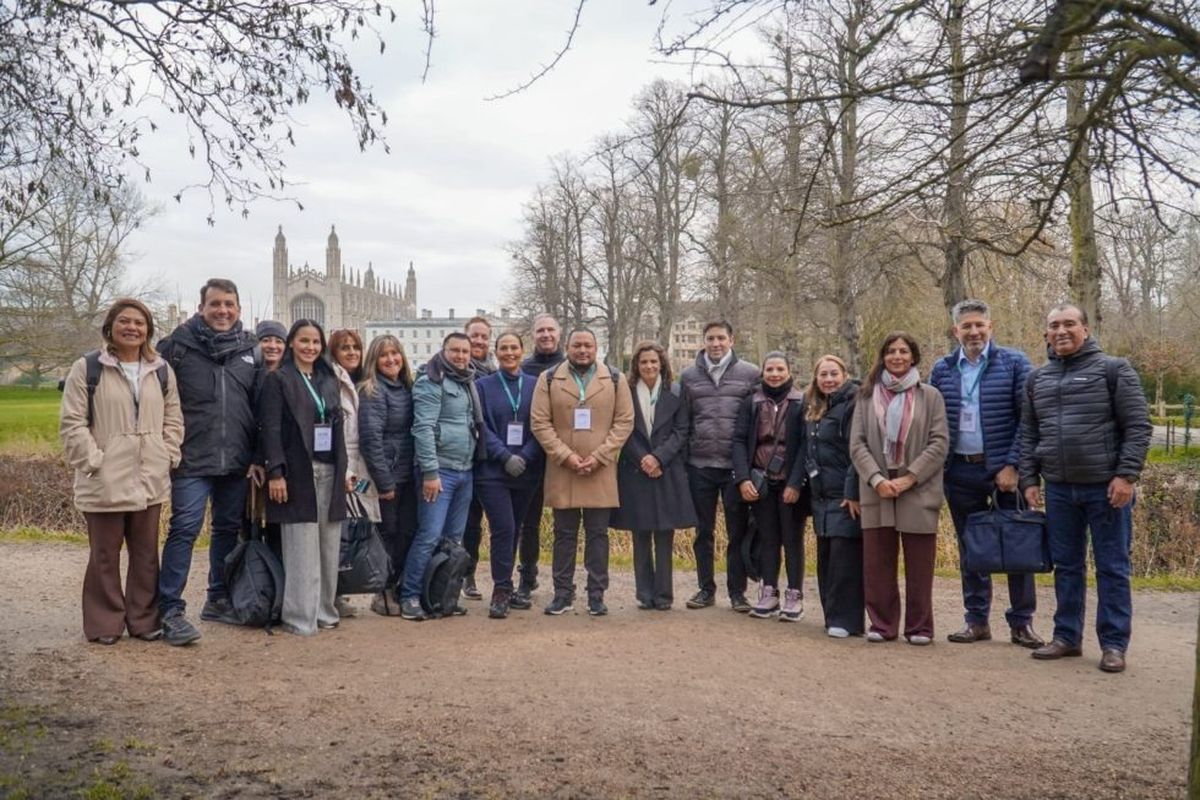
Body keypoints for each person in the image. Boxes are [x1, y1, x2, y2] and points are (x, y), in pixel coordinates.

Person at [1020, 303, 1151, 673]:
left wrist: (1126, 476)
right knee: (1066, 567)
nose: (1061, 331)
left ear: (1086, 329)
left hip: (1106, 488)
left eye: (1069, 324)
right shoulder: (1036, 380)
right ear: (1045, 333)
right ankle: (1066, 637)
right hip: (1059, 489)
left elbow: (1139, 426)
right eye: (1053, 325)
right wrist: (1030, 480)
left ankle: (1113, 644)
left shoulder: (1113, 370)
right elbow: (1029, 434)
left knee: (1112, 567)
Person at [59, 299, 184, 644]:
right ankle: (104, 624)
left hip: (149, 474)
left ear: (148, 330)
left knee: (146, 553)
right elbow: (72, 422)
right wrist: (94, 460)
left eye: (140, 323)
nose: (132, 328)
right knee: (104, 553)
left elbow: (173, 418)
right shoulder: (87, 368)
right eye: (125, 321)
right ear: (110, 327)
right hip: (105, 476)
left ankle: (144, 621)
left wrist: (167, 453)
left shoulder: (161, 370)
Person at [929, 299, 1043, 648]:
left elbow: (1028, 420)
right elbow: (934, 420)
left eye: (980, 325)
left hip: (1003, 472)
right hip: (960, 470)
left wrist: (1012, 466)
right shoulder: (943, 368)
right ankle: (976, 620)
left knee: (1017, 545)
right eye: (967, 326)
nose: (974, 331)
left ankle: (1021, 622)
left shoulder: (1014, 363)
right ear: (956, 331)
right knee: (971, 547)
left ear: (990, 327)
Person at [156, 278, 260, 646]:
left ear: (239, 310)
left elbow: (258, 407)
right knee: (184, 530)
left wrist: (256, 456)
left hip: (234, 460)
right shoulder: (176, 348)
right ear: (202, 308)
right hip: (191, 458)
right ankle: (169, 608)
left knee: (227, 531)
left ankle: (217, 597)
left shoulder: (251, 350)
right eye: (215, 304)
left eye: (229, 304)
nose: (223, 311)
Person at [849, 332, 948, 645]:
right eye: (890, 351)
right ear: (882, 356)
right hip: (877, 487)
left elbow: (939, 442)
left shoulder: (930, 396)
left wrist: (910, 477)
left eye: (903, 351)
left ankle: (919, 627)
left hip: (917, 487)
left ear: (913, 356)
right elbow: (857, 443)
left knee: (919, 565)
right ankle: (882, 624)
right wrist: (877, 479)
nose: (897, 356)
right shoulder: (865, 396)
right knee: (877, 564)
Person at [530, 328, 634, 616]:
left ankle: (596, 594)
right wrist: (566, 456)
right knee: (564, 534)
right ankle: (562, 593)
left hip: (601, 469)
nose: (583, 350)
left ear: (596, 347)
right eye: (577, 345)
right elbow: (539, 422)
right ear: (567, 346)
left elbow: (625, 421)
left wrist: (600, 456)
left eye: (588, 345)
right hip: (563, 469)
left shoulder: (615, 379)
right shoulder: (549, 378)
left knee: (598, 534)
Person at [259, 319, 349, 635]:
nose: (310, 347)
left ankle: (325, 609)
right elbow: (270, 429)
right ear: (292, 344)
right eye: (303, 341)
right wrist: (276, 472)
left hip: (329, 469)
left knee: (327, 544)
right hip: (298, 471)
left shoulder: (327, 380)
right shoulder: (278, 379)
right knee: (301, 545)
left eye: (315, 342)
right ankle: (300, 615)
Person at [401, 332, 484, 620]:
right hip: (440, 472)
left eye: (465, 351)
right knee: (429, 536)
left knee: (452, 540)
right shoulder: (431, 381)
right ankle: (410, 595)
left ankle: (441, 595)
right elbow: (422, 428)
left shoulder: (466, 383)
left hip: (465, 470)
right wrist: (430, 472)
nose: (461, 356)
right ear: (443, 351)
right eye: (455, 351)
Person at [610, 341, 697, 610]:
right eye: (643, 362)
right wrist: (643, 458)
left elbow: (682, 431)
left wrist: (658, 457)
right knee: (640, 535)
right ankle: (644, 594)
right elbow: (621, 428)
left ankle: (664, 595)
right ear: (636, 365)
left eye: (653, 362)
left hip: (666, 469)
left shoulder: (677, 391)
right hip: (635, 470)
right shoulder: (624, 391)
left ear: (662, 364)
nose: (649, 366)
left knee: (664, 534)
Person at [680, 321, 759, 611]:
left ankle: (737, 592)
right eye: (710, 338)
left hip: (735, 467)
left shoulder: (750, 374)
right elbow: (684, 420)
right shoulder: (688, 376)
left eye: (721, 338)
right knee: (703, 531)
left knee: (737, 530)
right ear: (704, 341)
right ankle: (705, 588)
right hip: (699, 464)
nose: (715, 343)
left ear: (731, 339)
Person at [732, 352, 808, 621]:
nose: (774, 374)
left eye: (779, 369)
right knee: (767, 539)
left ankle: (794, 594)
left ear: (789, 371)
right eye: (769, 369)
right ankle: (768, 591)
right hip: (760, 482)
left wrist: (796, 483)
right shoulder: (751, 402)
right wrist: (742, 479)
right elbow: (739, 440)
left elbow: (805, 447)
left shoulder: (801, 402)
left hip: (790, 483)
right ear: (762, 372)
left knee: (792, 539)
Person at [475, 331, 543, 618]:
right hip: (493, 471)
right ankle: (501, 590)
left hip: (526, 470)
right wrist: (504, 456)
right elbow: (480, 425)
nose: (509, 353)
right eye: (503, 348)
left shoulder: (536, 385)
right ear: (496, 351)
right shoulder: (482, 386)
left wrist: (525, 456)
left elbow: (542, 424)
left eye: (514, 348)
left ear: (522, 350)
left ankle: (509, 586)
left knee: (515, 528)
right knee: (502, 528)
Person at [801, 355, 864, 638]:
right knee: (826, 558)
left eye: (833, 374)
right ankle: (831, 615)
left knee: (845, 559)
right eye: (823, 374)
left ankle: (847, 620)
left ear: (844, 374)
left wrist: (852, 492)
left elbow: (856, 452)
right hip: (821, 495)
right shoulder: (817, 406)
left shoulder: (853, 404)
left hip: (844, 494)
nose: (828, 379)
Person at [357, 334, 417, 617]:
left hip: (409, 473)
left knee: (406, 531)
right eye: (384, 355)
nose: (391, 359)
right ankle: (382, 591)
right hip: (389, 476)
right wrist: (384, 482)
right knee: (387, 534)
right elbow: (371, 440)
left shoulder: (406, 387)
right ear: (374, 360)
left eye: (395, 354)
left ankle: (398, 585)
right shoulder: (373, 391)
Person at [515, 313, 566, 601]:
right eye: (540, 330)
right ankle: (528, 576)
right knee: (528, 521)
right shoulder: (525, 369)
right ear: (533, 335)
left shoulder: (570, 367)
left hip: (564, 453)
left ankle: (563, 580)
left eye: (551, 330)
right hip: (532, 453)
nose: (546, 335)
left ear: (559, 334)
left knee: (565, 523)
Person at [328, 327, 372, 619]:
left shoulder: (363, 382)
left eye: (355, 347)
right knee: (338, 530)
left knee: (359, 523)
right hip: (341, 466)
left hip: (360, 467)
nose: (352, 352)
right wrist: (343, 469)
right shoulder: (330, 382)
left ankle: (342, 589)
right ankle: (332, 595)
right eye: (345, 347)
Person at [461, 315, 497, 601]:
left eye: (484, 336)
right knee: (466, 522)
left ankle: (471, 573)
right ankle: (463, 575)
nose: (480, 341)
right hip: (462, 459)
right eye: (475, 336)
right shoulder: (456, 370)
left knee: (480, 522)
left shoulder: (494, 373)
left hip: (487, 457)